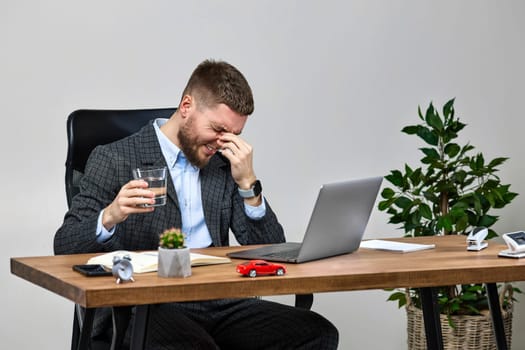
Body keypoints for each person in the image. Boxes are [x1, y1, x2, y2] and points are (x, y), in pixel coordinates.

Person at [54, 59, 339, 349]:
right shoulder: (114, 158)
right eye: (217, 128)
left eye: (233, 134)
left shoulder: (224, 166)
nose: (222, 142)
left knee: (317, 333)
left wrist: (248, 184)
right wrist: (110, 216)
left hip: (219, 300)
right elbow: (65, 247)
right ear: (187, 107)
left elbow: (274, 248)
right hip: (146, 305)